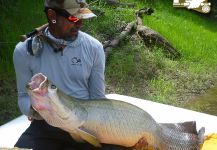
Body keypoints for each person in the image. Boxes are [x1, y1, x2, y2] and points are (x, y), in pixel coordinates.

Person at [13, 0, 127, 149]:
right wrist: (37, 109)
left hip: (87, 123)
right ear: (52, 15)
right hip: (47, 124)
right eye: (74, 18)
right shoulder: (24, 51)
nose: (80, 24)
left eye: (82, 18)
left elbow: (97, 98)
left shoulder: (94, 47)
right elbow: (23, 96)